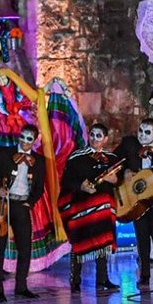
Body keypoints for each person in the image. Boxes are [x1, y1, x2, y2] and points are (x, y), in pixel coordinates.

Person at [0, 125, 47, 301]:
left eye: (29, 139)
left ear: (34, 141)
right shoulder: (4, 153)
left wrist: (30, 202)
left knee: (25, 248)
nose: (25, 142)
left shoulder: (39, 160)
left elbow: (39, 187)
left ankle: (21, 286)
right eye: (23, 137)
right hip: (2, 205)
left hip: (22, 205)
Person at [60, 123, 123, 293]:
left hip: (104, 209)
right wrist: (81, 186)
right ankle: (75, 281)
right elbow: (66, 181)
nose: (95, 139)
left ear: (106, 139)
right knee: (79, 243)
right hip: (82, 208)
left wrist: (114, 180)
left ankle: (102, 279)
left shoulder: (112, 159)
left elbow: (122, 181)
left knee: (103, 243)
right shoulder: (76, 157)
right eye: (93, 135)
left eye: (99, 136)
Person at [117, 119, 153, 290]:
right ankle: (144, 275)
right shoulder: (130, 144)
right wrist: (125, 171)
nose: (142, 135)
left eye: (147, 132)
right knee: (141, 236)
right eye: (140, 131)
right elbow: (114, 160)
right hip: (135, 198)